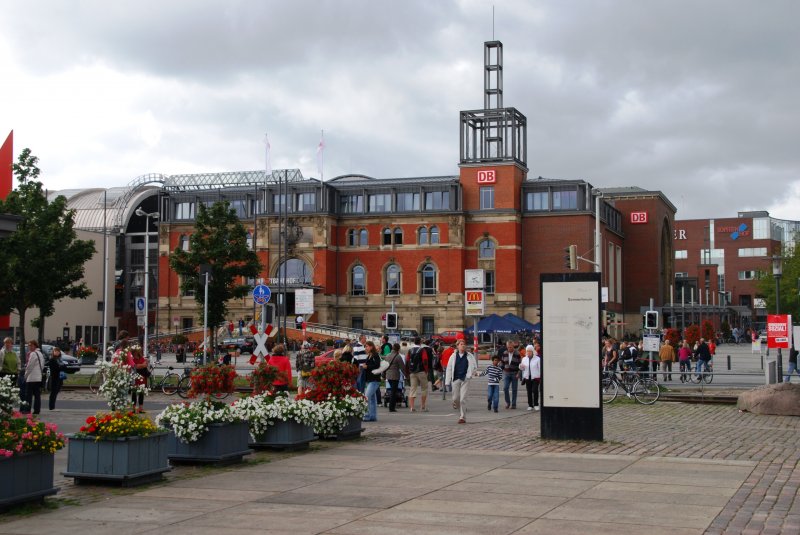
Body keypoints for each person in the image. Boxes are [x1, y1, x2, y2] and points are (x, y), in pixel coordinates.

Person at [446, 339, 477, 424]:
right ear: (457, 346)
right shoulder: (453, 356)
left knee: (463, 398)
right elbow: (449, 368)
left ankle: (462, 417)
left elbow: (474, 366)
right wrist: (447, 381)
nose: (463, 346)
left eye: (464, 344)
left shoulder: (469, 356)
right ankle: (459, 408)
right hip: (455, 378)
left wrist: (471, 374)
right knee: (455, 398)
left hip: (465, 379)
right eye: (461, 344)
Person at [405, 337, 432, 412]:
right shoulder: (422, 350)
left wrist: (407, 371)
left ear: (414, 342)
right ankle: (423, 406)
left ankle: (412, 407)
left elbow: (407, 361)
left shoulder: (410, 350)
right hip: (421, 371)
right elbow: (425, 360)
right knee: (424, 388)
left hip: (412, 372)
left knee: (413, 388)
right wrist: (426, 370)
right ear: (420, 342)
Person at [22, 340, 46, 415]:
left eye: (31, 345)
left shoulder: (33, 354)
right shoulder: (40, 353)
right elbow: (42, 365)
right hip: (38, 377)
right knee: (37, 395)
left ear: (35, 346)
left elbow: (29, 366)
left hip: (32, 377)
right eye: (29, 345)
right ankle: (37, 410)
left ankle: (27, 410)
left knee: (28, 395)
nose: (29, 347)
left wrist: (25, 376)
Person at [361, 341, 381, 422]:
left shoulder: (375, 355)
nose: (366, 348)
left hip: (374, 379)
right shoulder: (369, 355)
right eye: (365, 346)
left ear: (371, 347)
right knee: (372, 399)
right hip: (370, 379)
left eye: (367, 346)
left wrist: (367, 366)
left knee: (366, 397)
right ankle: (373, 416)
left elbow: (377, 365)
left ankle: (367, 415)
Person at [500, 340, 521, 409]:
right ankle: (508, 402)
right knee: (505, 388)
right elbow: (502, 363)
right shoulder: (504, 353)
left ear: (513, 346)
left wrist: (519, 373)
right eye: (508, 347)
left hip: (515, 373)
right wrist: (501, 370)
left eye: (511, 347)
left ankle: (514, 404)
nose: (509, 349)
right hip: (506, 373)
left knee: (514, 389)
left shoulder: (517, 353)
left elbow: (520, 365)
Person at [520, 344, 541, 411]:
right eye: (527, 351)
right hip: (527, 377)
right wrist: (521, 367)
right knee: (529, 391)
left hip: (535, 377)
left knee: (535, 390)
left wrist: (541, 377)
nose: (528, 352)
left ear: (532, 351)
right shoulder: (524, 359)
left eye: (530, 351)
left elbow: (540, 368)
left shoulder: (537, 359)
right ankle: (530, 405)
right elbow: (522, 369)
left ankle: (536, 404)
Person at [384, 343, 404, 412]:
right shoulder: (398, 357)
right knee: (393, 392)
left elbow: (384, 366)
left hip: (388, 375)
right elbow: (402, 367)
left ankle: (391, 406)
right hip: (395, 376)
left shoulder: (387, 355)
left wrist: (383, 375)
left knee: (391, 391)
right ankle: (391, 407)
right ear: (398, 349)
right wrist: (407, 375)